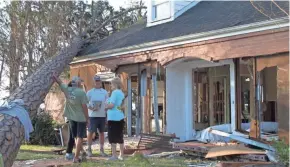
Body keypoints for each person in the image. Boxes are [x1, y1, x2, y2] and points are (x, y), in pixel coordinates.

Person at [52, 75, 89, 163]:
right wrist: (87, 119)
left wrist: (55, 78)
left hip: (71, 118)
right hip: (81, 118)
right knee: (80, 137)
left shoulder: (67, 89)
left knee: (75, 136)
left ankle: (79, 154)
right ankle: (76, 157)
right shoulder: (82, 93)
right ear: (79, 83)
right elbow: (84, 107)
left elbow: (60, 82)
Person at [86, 75, 109, 157]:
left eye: (99, 81)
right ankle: (89, 149)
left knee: (102, 133)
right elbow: (85, 102)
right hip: (92, 115)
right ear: (93, 82)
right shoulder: (89, 92)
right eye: (96, 81)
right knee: (91, 132)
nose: (97, 83)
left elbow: (107, 103)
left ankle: (102, 150)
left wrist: (107, 115)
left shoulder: (105, 92)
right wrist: (91, 107)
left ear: (101, 82)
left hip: (102, 115)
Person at [105, 77, 125, 161]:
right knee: (120, 136)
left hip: (113, 118)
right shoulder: (121, 93)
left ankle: (114, 155)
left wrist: (105, 107)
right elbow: (122, 106)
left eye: (111, 84)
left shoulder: (114, 93)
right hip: (120, 117)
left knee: (112, 137)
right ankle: (122, 155)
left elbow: (111, 105)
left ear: (115, 84)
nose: (111, 85)